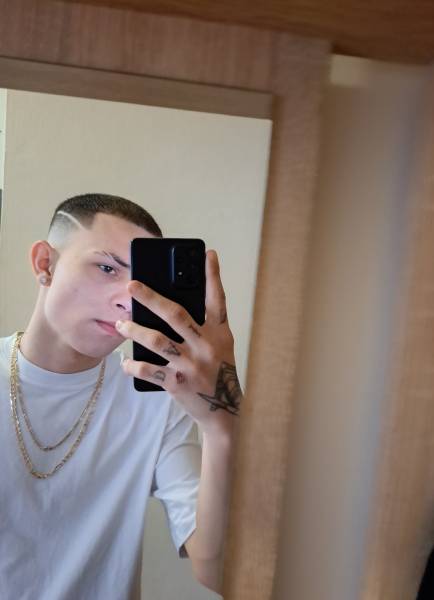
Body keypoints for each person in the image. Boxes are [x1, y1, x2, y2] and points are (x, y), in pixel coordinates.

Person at [0, 193, 242, 599]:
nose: (127, 300)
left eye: (142, 283)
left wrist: (222, 424)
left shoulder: (158, 396)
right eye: (107, 268)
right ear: (45, 264)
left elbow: (217, 571)